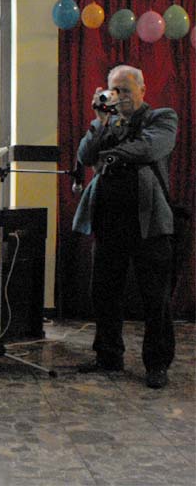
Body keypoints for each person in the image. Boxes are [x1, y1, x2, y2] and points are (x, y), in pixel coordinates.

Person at [72, 64, 177, 389]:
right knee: (104, 292)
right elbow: (85, 156)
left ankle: (156, 364)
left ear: (143, 90)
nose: (120, 97)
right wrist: (100, 123)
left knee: (155, 298)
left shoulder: (161, 117)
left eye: (126, 90)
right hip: (108, 220)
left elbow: (150, 148)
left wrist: (111, 154)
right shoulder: (106, 121)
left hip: (149, 223)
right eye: (114, 90)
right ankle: (108, 356)